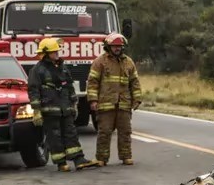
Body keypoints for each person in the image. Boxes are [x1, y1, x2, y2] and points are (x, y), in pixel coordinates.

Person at [27, 38, 99, 172]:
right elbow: (33, 90)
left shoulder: (62, 67)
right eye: (54, 52)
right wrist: (36, 111)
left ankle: (78, 160)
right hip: (50, 109)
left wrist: (74, 103)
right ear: (46, 53)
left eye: (57, 51)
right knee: (54, 136)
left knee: (71, 133)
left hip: (66, 108)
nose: (57, 54)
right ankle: (61, 162)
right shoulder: (37, 70)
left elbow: (69, 86)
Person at [87, 32, 142, 166]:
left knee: (125, 132)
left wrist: (137, 99)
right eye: (114, 46)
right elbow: (92, 82)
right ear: (108, 46)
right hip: (106, 104)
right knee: (104, 132)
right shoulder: (100, 62)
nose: (117, 48)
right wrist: (93, 100)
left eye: (119, 46)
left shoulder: (128, 62)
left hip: (124, 104)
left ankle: (126, 156)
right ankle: (101, 158)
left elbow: (134, 82)